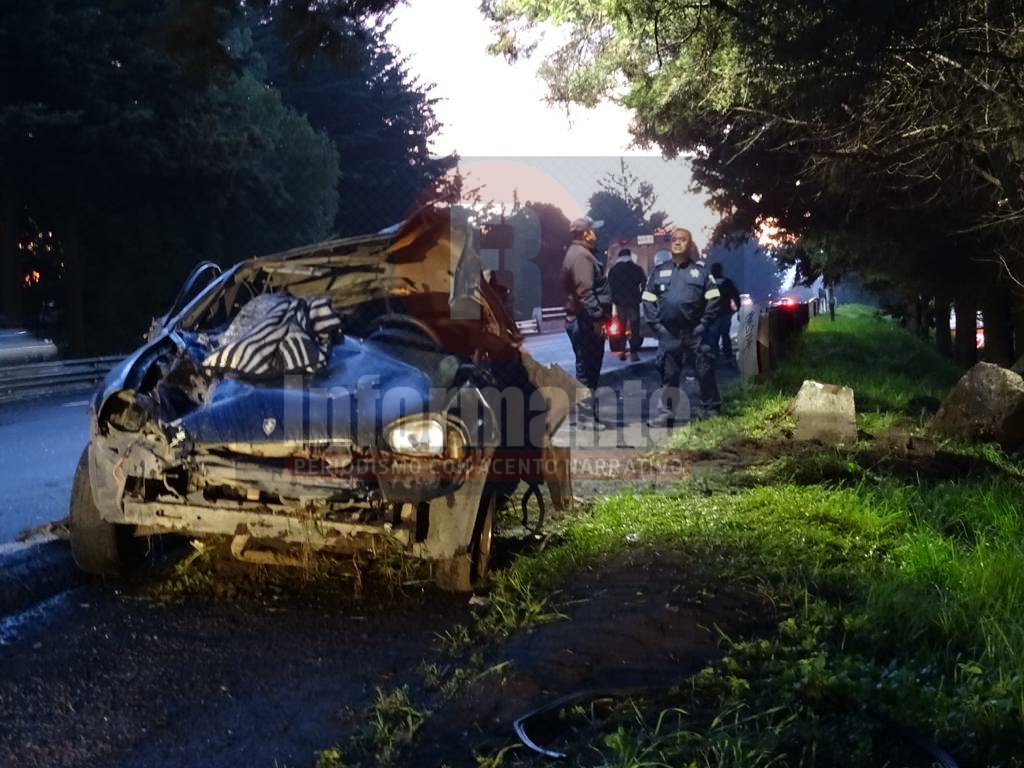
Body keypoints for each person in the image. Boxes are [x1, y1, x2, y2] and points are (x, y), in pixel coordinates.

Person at [642, 227, 721, 427]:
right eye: (674, 239)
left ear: (690, 244)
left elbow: (714, 300)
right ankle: (666, 414)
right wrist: (657, 327)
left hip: (694, 332)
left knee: (704, 370)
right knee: (669, 374)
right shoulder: (659, 272)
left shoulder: (701, 272)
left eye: (683, 240)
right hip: (668, 333)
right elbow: (648, 300)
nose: (677, 242)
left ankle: (711, 409)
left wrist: (703, 324)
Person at [561, 216, 613, 429]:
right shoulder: (582, 256)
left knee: (588, 368)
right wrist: (598, 318)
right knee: (587, 370)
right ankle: (584, 418)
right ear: (585, 234)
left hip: (585, 318)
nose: (596, 233)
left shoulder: (579, 253)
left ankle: (585, 415)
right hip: (586, 319)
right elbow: (585, 292)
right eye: (593, 230)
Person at [607, 248, 647, 362]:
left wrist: (614, 299)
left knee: (621, 328)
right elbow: (644, 283)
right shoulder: (636, 269)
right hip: (633, 302)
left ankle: (623, 351)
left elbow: (610, 287)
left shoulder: (613, 270)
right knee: (635, 328)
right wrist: (640, 297)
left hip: (620, 303)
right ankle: (634, 353)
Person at [707, 262, 741, 367]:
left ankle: (714, 358)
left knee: (713, 338)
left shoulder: (707, 283)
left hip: (712, 315)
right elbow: (736, 296)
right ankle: (727, 358)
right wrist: (738, 309)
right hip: (725, 314)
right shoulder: (727, 283)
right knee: (725, 336)